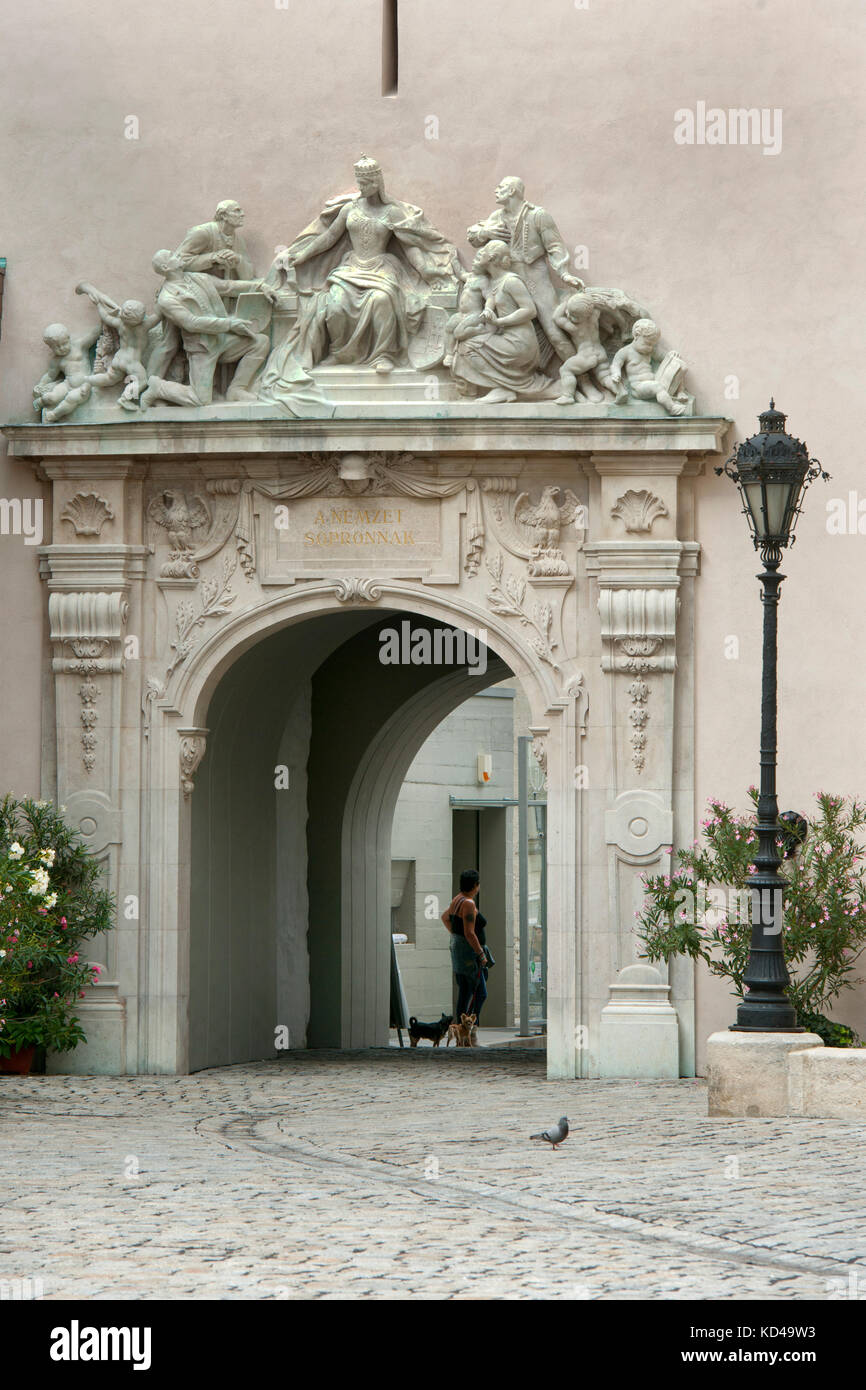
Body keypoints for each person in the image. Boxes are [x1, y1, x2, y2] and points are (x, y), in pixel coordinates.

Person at [442, 868, 488, 1028]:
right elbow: (469, 933)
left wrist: (456, 936)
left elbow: (445, 917)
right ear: (475, 885)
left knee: (465, 990)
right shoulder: (468, 903)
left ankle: (463, 1027)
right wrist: (481, 953)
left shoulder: (458, 899)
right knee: (478, 992)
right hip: (468, 954)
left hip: (459, 950)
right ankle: (469, 1026)